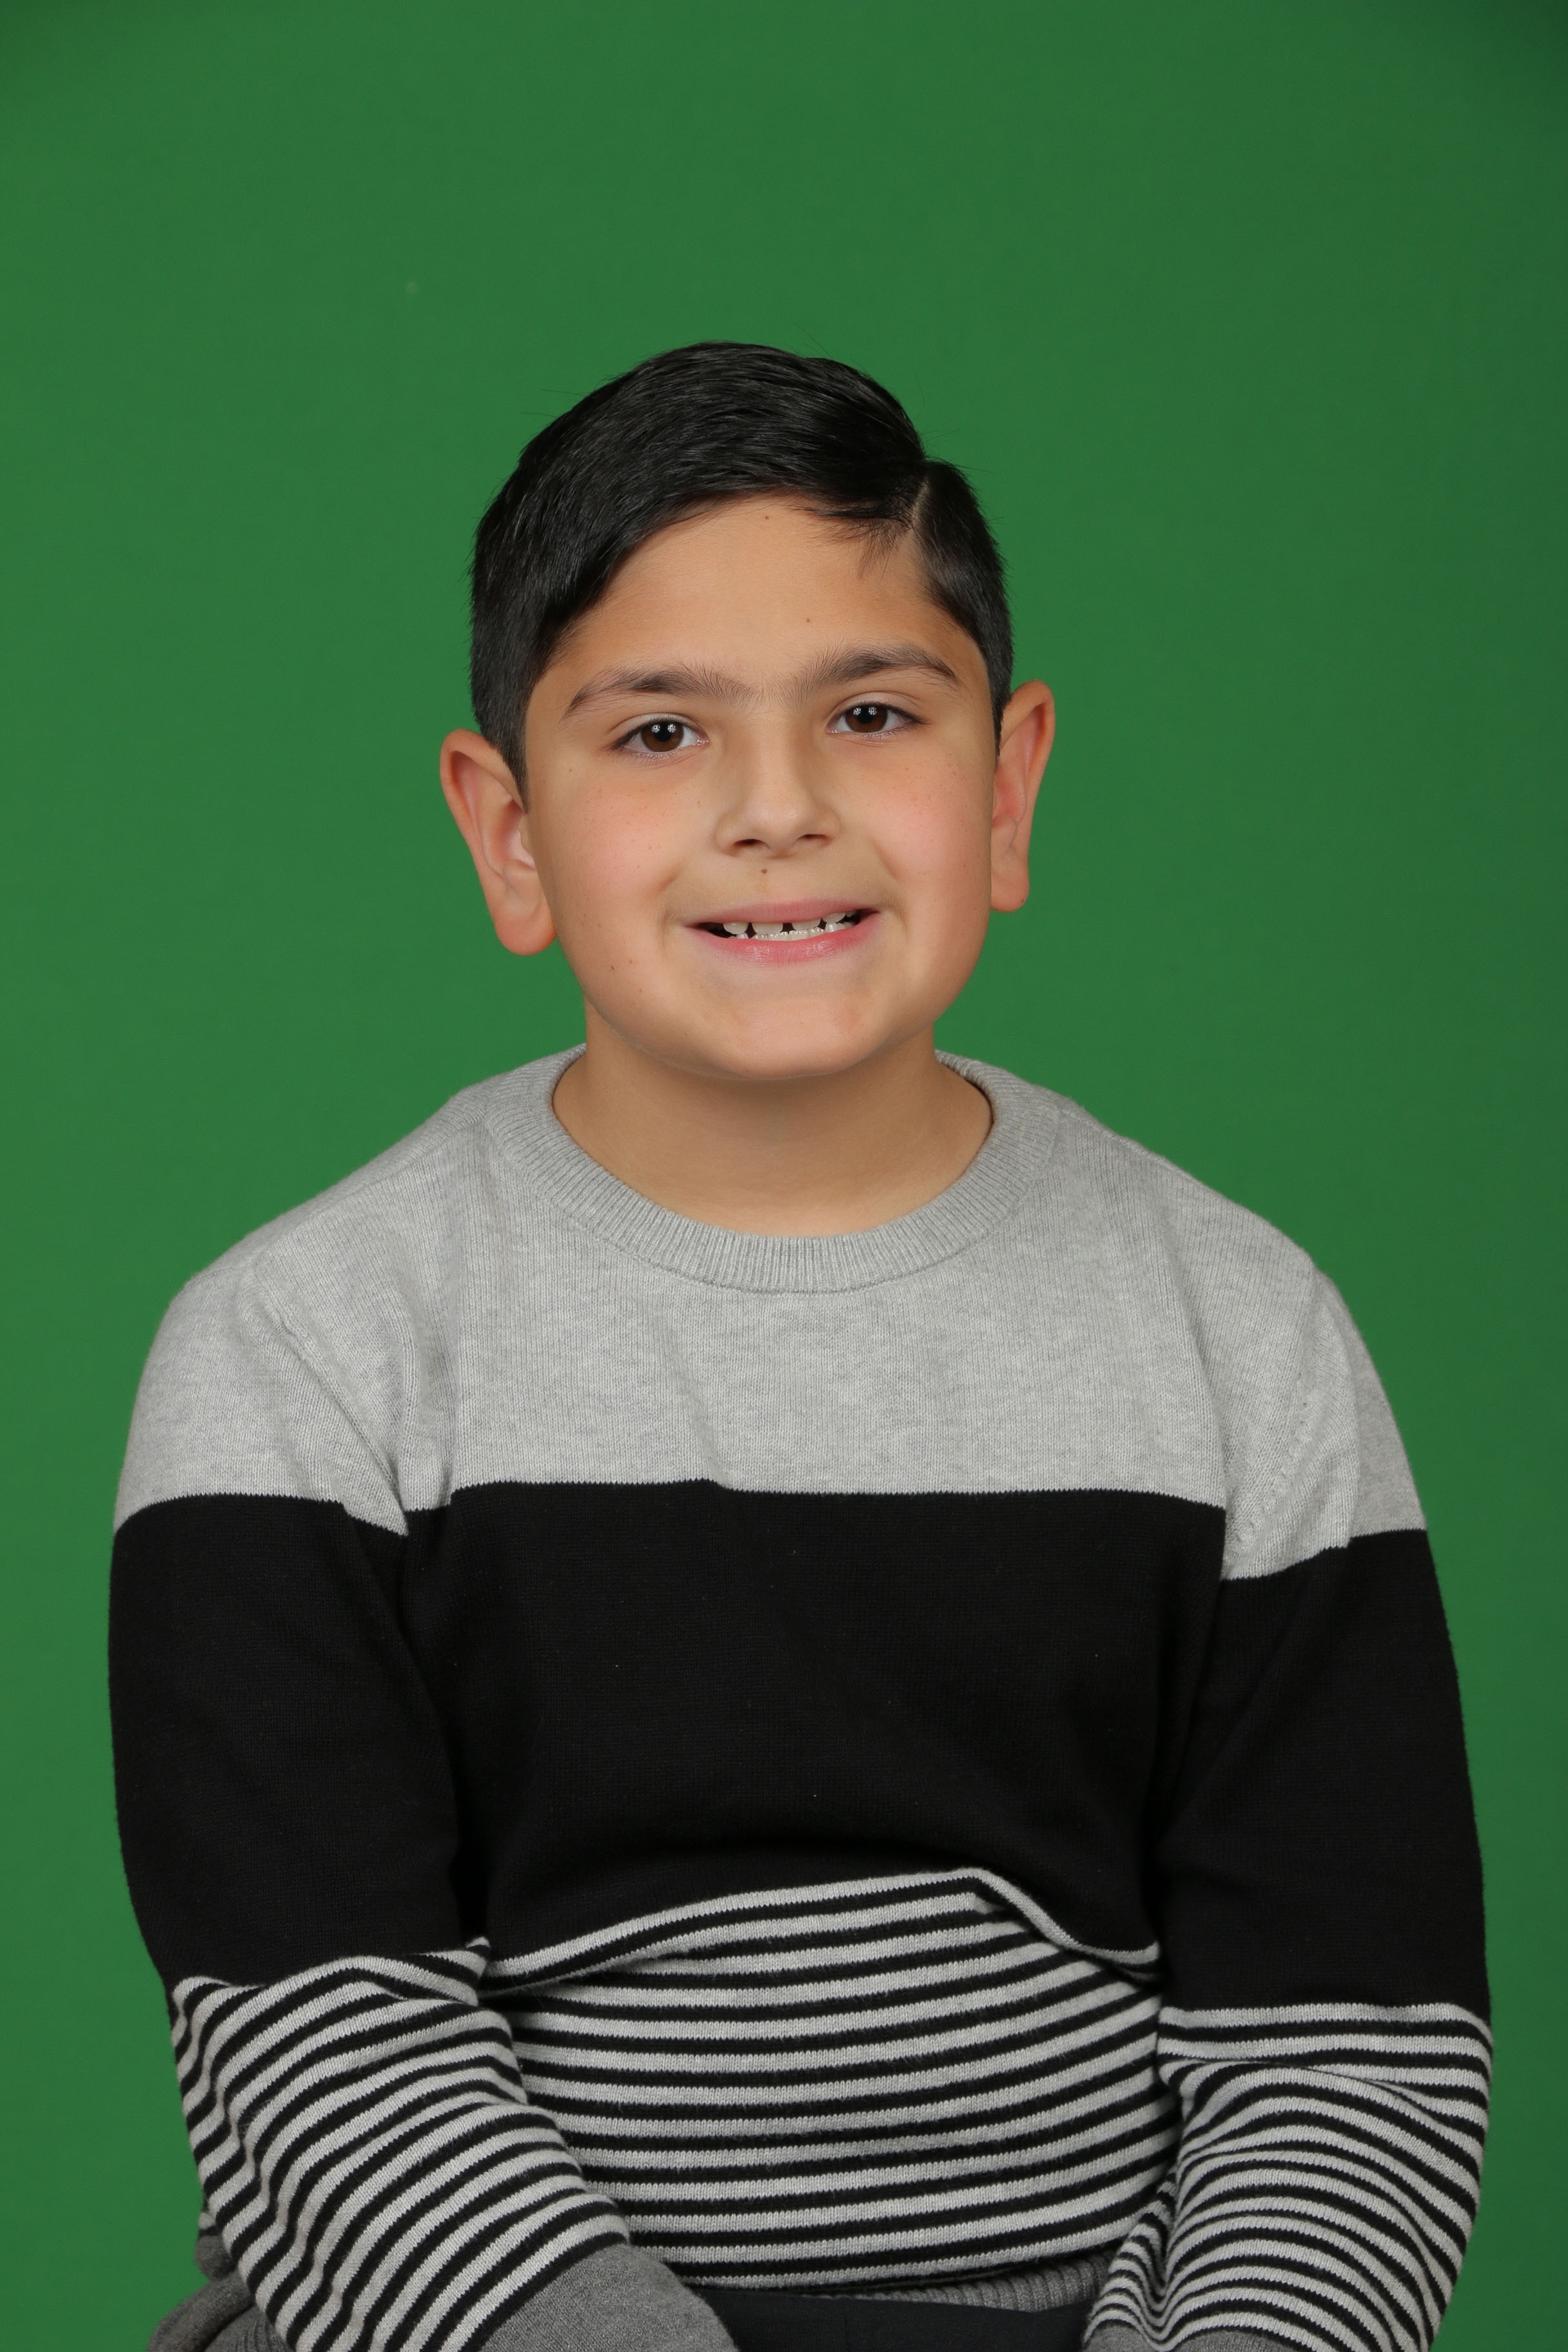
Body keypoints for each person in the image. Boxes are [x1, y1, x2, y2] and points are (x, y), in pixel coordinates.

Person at [113, 344, 1488, 2352]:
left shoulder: (1238, 1330)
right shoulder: (300, 1350)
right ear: (508, 830)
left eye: (871, 714)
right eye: (661, 731)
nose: (778, 809)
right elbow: (319, 2057)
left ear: (1007, 787)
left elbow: (1345, 2057)